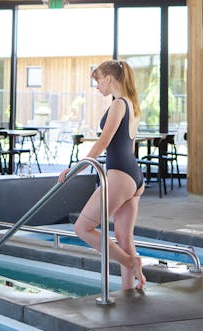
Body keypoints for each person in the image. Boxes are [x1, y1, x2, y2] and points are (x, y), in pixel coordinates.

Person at [58, 59, 146, 291]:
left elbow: (104, 141)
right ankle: (129, 290)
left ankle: (130, 262)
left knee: (82, 228)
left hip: (120, 175)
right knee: (124, 237)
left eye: (98, 81)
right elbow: (130, 146)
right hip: (134, 177)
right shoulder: (133, 105)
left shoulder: (118, 105)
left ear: (109, 79)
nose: (97, 87)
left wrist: (78, 167)